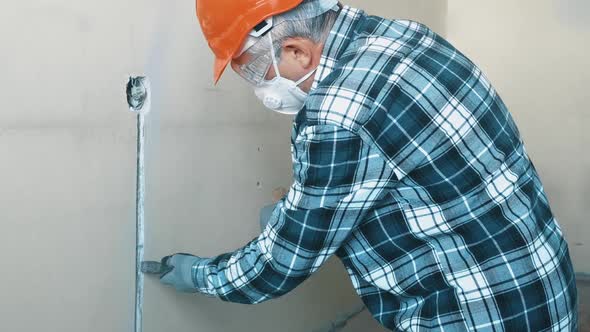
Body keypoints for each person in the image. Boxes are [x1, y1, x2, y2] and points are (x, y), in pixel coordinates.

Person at [147, 0, 579, 330]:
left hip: (479, 314)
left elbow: (282, 265)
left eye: (253, 73)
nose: (259, 89)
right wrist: (302, 211)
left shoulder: (336, 114)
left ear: (297, 51)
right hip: (542, 288)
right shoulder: (407, 37)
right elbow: (419, 174)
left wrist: (200, 273)